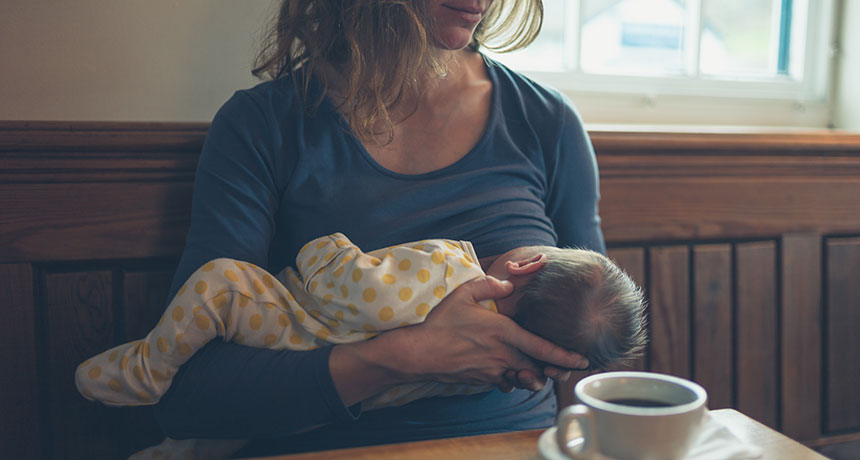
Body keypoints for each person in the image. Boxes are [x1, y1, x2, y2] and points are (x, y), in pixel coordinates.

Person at [148, 0, 605, 456]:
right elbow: (189, 396)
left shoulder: (546, 122)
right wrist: (409, 358)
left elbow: (594, 354)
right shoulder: (263, 126)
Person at [78, 232, 645, 459]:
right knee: (220, 437)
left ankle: (145, 368)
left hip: (288, 332)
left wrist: (324, 249)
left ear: (525, 264)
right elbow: (195, 405)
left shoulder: (452, 265)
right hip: (323, 411)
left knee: (220, 282)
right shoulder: (490, 368)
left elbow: (354, 288)